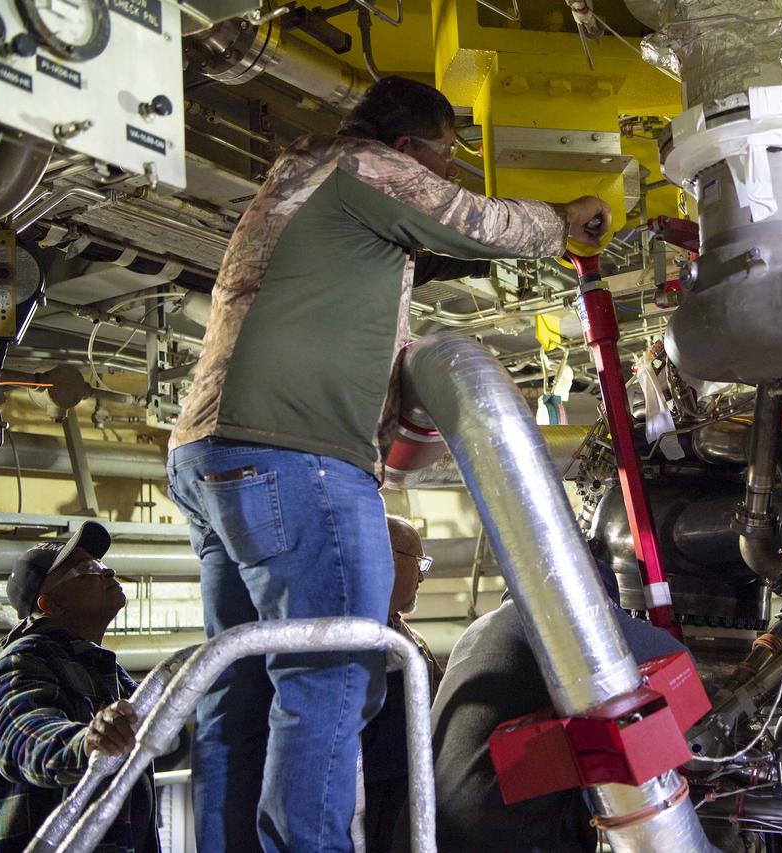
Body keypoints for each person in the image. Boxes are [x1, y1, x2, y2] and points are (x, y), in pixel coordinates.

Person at [166, 73, 610, 853]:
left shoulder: (307, 179)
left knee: (235, 690)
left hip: (213, 457)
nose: (448, 175)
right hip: (296, 459)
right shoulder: (368, 167)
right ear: (409, 146)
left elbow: (427, 248)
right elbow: (478, 221)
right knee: (333, 679)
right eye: (445, 158)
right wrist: (565, 222)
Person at [430, 562, 687, 852]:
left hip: (433, 827)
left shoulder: (481, 629)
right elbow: (677, 658)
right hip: (509, 832)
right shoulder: (563, 619)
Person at [0, 521, 158, 853]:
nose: (108, 573)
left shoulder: (111, 675)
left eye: (102, 565)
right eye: (86, 568)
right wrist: (84, 743)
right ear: (50, 605)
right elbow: (21, 732)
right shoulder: (23, 659)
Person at [359, 515, 441, 853]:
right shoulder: (358, 637)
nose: (422, 575)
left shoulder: (406, 637)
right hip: (381, 822)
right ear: (390, 557)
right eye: (418, 562)